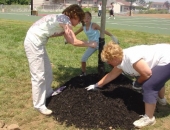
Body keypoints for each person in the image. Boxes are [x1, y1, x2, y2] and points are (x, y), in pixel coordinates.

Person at [24, 4, 97, 116]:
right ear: (74, 16)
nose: (78, 23)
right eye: (79, 20)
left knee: (47, 71)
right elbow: (73, 41)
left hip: (38, 43)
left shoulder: (62, 19)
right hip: (33, 43)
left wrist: (66, 34)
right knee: (38, 75)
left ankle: (48, 92)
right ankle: (39, 105)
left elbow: (65, 36)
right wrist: (90, 43)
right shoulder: (65, 20)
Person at [85, 41, 170, 128]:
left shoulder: (131, 58)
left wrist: (137, 83)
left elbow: (147, 74)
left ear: (114, 58)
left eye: (108, 61)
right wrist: (96, 85)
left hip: (167, 57)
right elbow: (111, 75)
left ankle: (149, 118)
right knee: (156, 79)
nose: (108, 63)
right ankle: (162, 100)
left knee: (149, 85)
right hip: (162, 54)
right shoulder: (120, 60)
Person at [74, 11, 119, 76]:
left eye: (88, 18)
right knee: (83, 59)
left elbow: (103, 30)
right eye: (84, 18)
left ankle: (118, 70)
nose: (86, 19)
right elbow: (75, 33)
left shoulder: (94, 25)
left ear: (91, 18)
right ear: (82, 19)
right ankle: (83, 73)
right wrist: (68, 38)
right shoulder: (83, 27)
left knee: (107, 60)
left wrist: (112, 35)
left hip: (100, 44)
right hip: (92, 45)